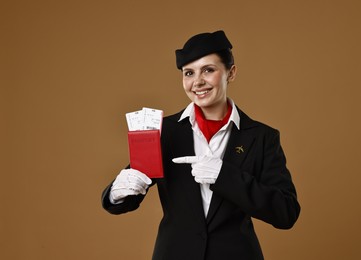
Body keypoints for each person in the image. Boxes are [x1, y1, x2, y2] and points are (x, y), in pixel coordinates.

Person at [102, 30, 300, 260]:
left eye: (208, 70)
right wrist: (117, 192)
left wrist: (225, 175)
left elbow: (286, 213)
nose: (198, 82)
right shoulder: (163, 132)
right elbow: (129, 197)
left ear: (231, 72)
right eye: (189, 73)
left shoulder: (262, 137)